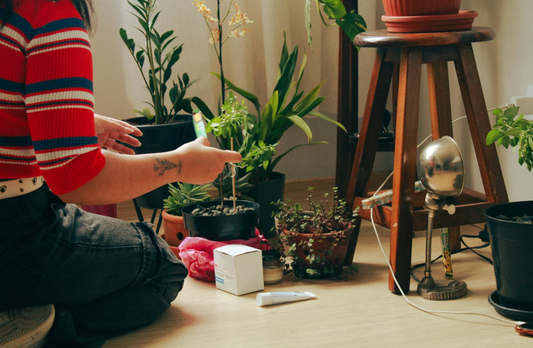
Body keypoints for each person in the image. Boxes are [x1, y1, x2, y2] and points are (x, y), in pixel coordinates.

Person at [0, 0, 242, 347]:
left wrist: (70, 124)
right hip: (12, 231)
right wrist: (181, 165)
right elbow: (78, 178)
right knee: (161, 266)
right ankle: (42, 328)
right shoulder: (47, 13)